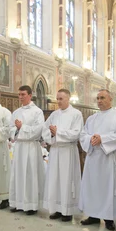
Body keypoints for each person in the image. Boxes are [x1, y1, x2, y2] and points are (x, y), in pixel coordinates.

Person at [78, 89, 116, 231]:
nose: (99, 100)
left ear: (110, 99)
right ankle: (93, 216)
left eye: (102, 98)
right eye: (98, 98)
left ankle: (108, 218)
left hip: (108, 157)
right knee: (93, 186)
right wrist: (91, 139)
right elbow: (83, 134)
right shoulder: (92, 118)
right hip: (93, 156)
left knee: (108, 187)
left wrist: (103, 139)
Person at [42, 89, 83, 222]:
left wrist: (58, 132)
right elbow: (44, 130)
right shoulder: (54, 114)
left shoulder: (76, 114)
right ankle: (57, 208)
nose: (58, 101)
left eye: (61, 99)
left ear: (68, 99)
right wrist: (53, 134)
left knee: (67, 180)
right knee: (55, 179)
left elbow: (76, 133)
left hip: (68, 151)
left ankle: (67, 211)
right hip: (55, 150)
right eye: (57, 99)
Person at [9, 85, 45, 215]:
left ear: (30, 95)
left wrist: (22, 127)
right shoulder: (16, 112)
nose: (20, 97)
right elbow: (10, 129)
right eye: (19, 94)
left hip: (31, 147)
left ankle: (31, 205)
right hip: (19, 147)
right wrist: (18, 129)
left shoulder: (37, 112)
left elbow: (38, 130)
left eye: (23, 94)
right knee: (18, 174)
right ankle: (17, 202)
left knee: (30, 175)